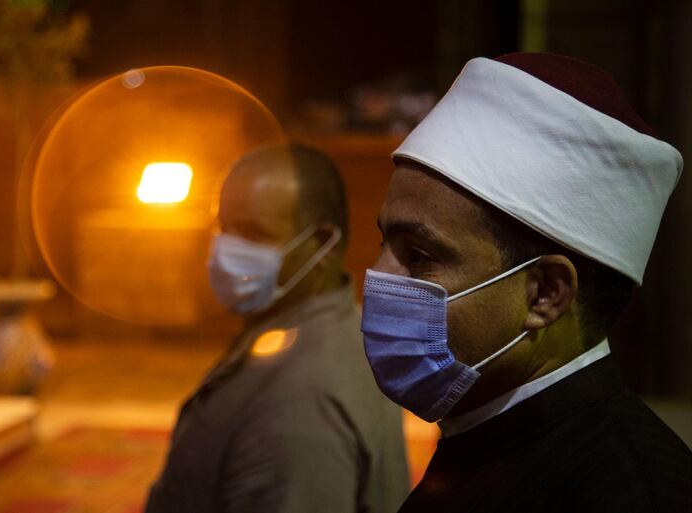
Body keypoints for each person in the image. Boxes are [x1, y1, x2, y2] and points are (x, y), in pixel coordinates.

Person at [361, 52, 691, 512]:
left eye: (418, 256)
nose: (378, 278)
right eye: (383, 244)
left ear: (545, 294)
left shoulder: (628, 492)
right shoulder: (483, 438)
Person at [145, 143, 410, 513]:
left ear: (322, 245)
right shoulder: (327, 333)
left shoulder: (303, 401)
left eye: (254, 234)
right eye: (223, 228)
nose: (227, 250)